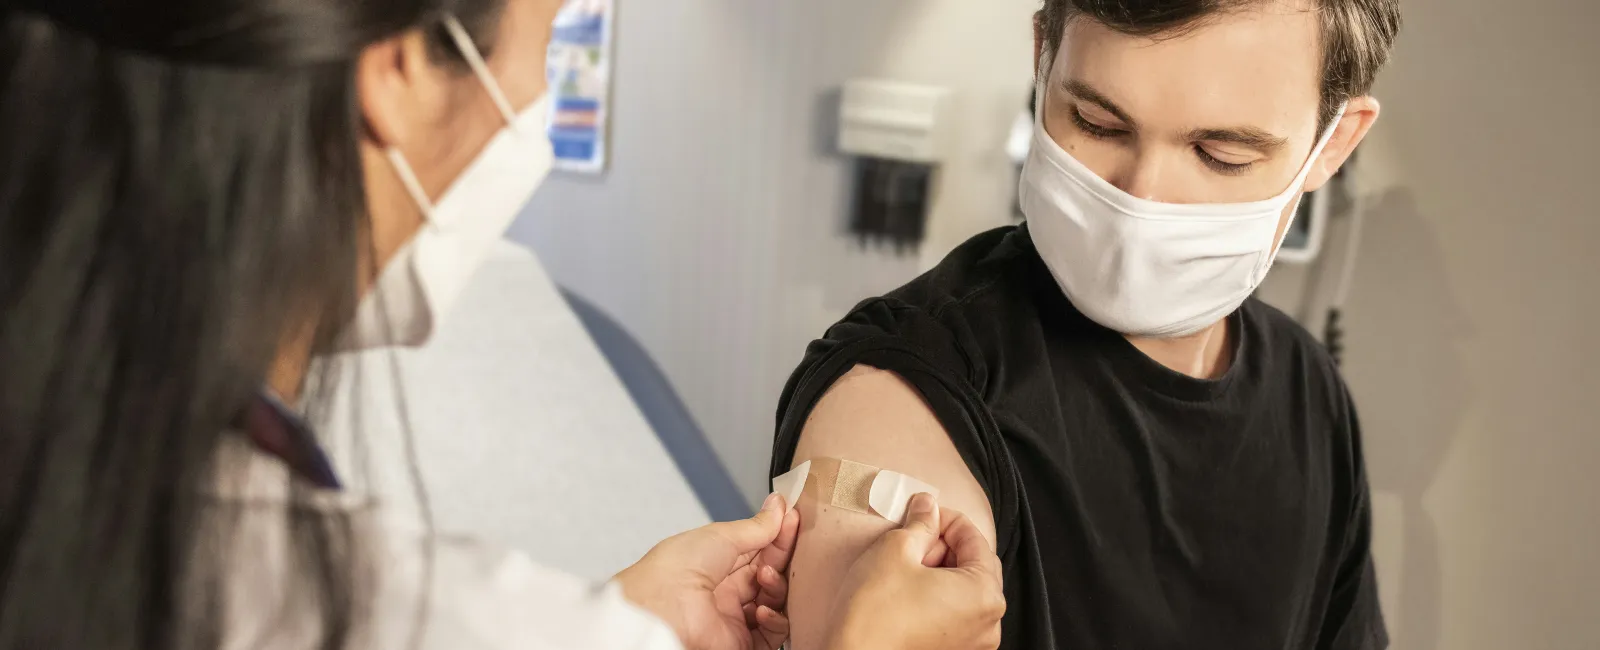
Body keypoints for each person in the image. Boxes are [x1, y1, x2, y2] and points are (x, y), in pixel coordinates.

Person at [0, 1, 1005, 648]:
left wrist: (614, 617)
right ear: (397, 65)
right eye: (556, 40)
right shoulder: (385, 604)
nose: (534, 97)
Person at [770, 0, 1401, 648]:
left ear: (1336, 143)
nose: (1141, 198)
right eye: (1097, 122)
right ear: (1043, 55)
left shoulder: (1311, 397)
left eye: (1220, 154)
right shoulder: (902, 389)